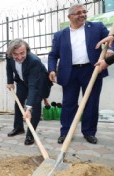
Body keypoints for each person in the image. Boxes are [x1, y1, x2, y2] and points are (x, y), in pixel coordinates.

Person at [48, 4, 112, 144]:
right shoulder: (60, 35)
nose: (82, 15)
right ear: (70, 17)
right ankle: (66, 132)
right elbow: (53, 55)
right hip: (69, 73)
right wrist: (52, 69)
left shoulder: (97, 27)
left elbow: (111, 38)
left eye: (84, 12)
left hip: (91, 70)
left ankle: (89, 132)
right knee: (68, 103)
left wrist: (111, 50)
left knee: (91, 102)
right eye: (78, 13)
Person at [6, 38, 51, 145]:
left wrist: (29, 107)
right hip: (22, 81)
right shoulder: (9, 57)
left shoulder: (34, 62)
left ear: (27, 50)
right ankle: (18, 128)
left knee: (34, 107)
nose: (19, 57)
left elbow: (33, 87)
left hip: (39, 82)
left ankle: (31, 134)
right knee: (18, 103)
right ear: (11, 53)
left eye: (22, 53)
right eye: (15, 54)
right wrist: (10, 81)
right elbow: (9, 68)